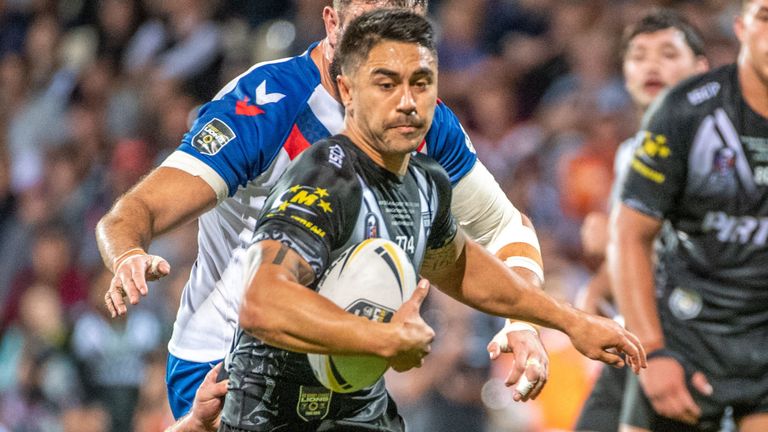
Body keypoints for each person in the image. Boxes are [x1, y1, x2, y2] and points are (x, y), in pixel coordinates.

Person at [96, 0, 549, 420]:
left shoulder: (424, 121)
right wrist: (128, 254)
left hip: (342, 368)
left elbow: (506, 227)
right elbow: (138, 209)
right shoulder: (266, 103)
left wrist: (524, 320)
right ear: (332, 24)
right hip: (226, 368)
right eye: (368, 32)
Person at [220, 9, 646, 431]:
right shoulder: (326, 176)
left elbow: (464, 268)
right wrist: (383, 339)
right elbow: (262, 302)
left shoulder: (423, 180)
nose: (407, 102)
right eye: (386, 84)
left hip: (358, 411)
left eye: (420, 84)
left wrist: (572, 322)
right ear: (347, 91)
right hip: (275, 416)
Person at [609, 0, 768, 430]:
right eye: (767, 17)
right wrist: (653, 351)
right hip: (686, 337)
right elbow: (629, 235)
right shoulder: (685, 110)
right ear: (740, 27)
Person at [574, 9, 709, 432]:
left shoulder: (715, 149)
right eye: (638, 56)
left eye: (669, 53)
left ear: (701, 70)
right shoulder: (632, 150)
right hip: (637, 332)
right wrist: (598, 288)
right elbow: (634, 252)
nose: (651, 65)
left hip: (692, 335)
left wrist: (609, 238)